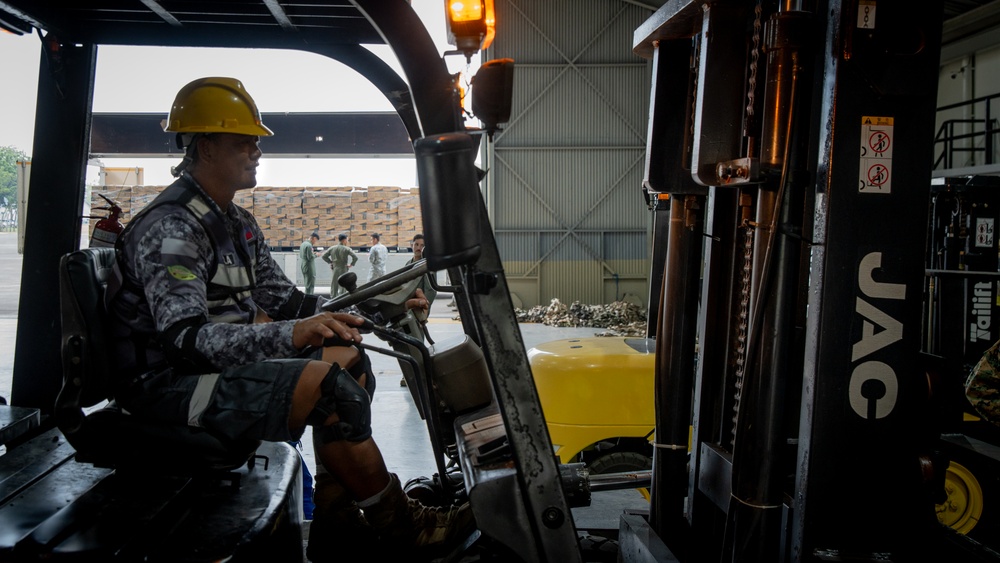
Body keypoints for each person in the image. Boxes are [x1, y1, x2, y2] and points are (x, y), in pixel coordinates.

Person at [105, 77, 472, 557]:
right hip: (165, 385)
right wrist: (290, 335)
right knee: (329, 390)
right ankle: (401, 525)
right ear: (206, 147)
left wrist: (370, 310)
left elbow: (292, 304)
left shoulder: (236, 224)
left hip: (207, 371)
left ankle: (338, 524)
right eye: (244, 142)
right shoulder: (173, 227)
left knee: (348, 358)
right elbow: (184, 340)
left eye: (256, 142)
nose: (257, 152)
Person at [321, 232, 358, 298]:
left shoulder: (332, 248)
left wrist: (330, 262)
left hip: (335, 268)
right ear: (344, 240)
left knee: (334, 284)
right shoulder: (347, 249)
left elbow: (324, 256)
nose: (347, 241)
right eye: (347, 239)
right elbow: (355, 257)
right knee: (343, 285)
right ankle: (341, 298)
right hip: (344, 268)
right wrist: (351, 264)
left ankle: (333, 298)